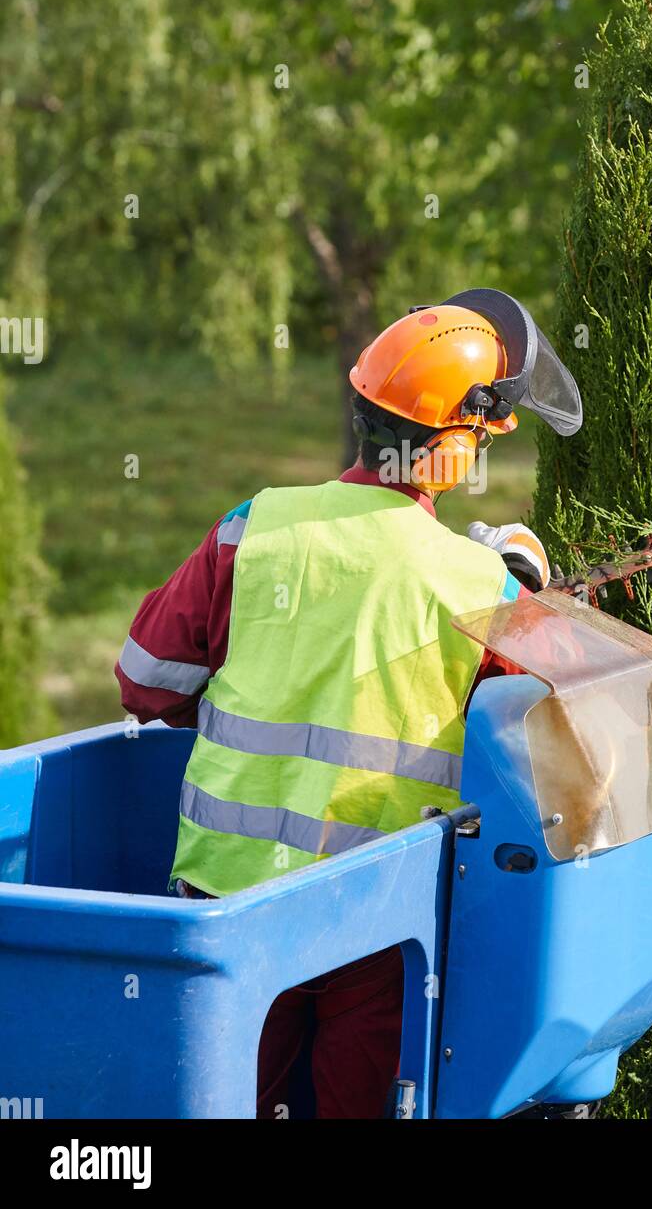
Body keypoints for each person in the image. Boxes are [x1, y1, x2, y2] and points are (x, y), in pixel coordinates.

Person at [115, 289, 582, 1119]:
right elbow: (555, 718)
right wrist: (525, 585)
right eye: (477, 436)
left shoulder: (254, 526)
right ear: (450, 447)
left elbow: (147, 679)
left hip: (224, 904)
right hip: (372, 921)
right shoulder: (478, 584)